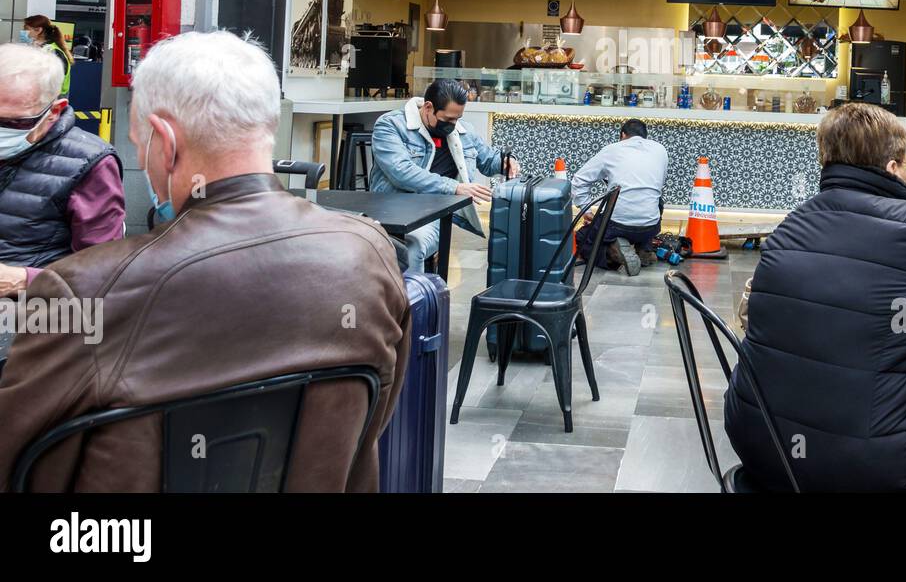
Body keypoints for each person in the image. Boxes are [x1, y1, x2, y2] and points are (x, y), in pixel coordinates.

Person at [0, 30, 411, 491]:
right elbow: (370, 423)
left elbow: (14, 460)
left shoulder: (85, 286)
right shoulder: (370, 256)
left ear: (164, 140)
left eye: (139, 142)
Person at [724, 103, 906, 492]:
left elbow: (758, 313)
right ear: (892, 168)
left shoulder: (792, 223)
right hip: (872, 467)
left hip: (760, 444)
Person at [0, 43, 124, 297]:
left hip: (28, 324)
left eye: (13, 122)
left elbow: (104, 273)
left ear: (53, 112)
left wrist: (23, 280)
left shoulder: (89, 163)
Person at [370, 78, 518, 271]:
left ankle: (417, 298)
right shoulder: (391, 125)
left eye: (458, 119)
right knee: (410, 246)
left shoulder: (463, 131)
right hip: (393, 211)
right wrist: (454, 187)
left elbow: (488, 160)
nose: (454, 125)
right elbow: (401, 172)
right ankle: (410, 299)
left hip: (434, 214)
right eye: (448, 119)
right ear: (428, 107)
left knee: (413, 244)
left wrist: (505, 161)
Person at [571, 119, 669, 276]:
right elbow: (658, 185)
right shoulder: (660, 150)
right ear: (645, 136)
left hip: (617, 226)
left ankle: (613, 252)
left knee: (583, 236)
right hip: (651, 226)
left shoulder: (612, 150)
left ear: (623, 135)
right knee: (658, 201)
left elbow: (579, 180)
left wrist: (586, 210)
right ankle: (644, 247)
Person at [22, 15, 73, 96]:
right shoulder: (37, 48)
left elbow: (52, 80)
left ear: (38, 30)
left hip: (53, 98)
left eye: (26, 29)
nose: (23, 32)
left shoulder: (52, 51)